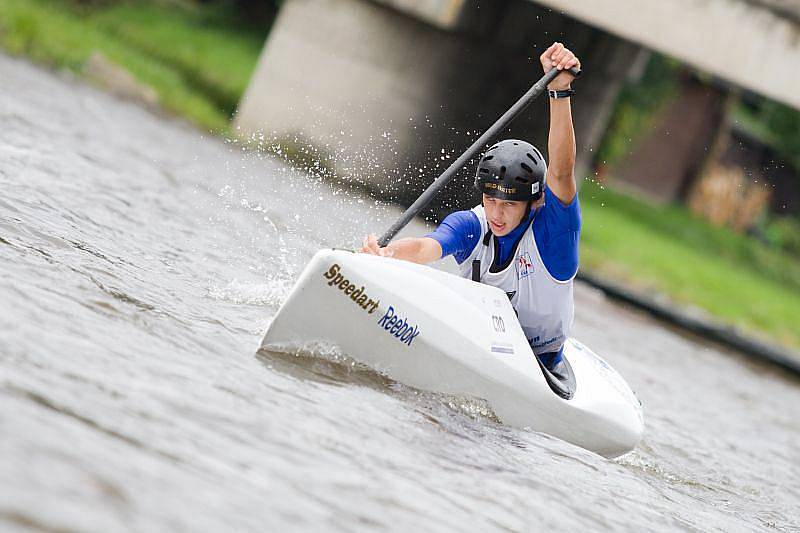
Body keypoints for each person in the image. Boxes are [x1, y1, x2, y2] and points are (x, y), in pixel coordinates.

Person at [361, 42, 581, 378]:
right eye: (491, 200)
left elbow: (562, 173)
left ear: (534, 202)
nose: (496, 213)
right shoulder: (471, 224)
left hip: (542, 364)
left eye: (509, 204)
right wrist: (383, 255)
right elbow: (424, 248)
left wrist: (560, 92)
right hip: (478, 344)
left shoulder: (554, 237)